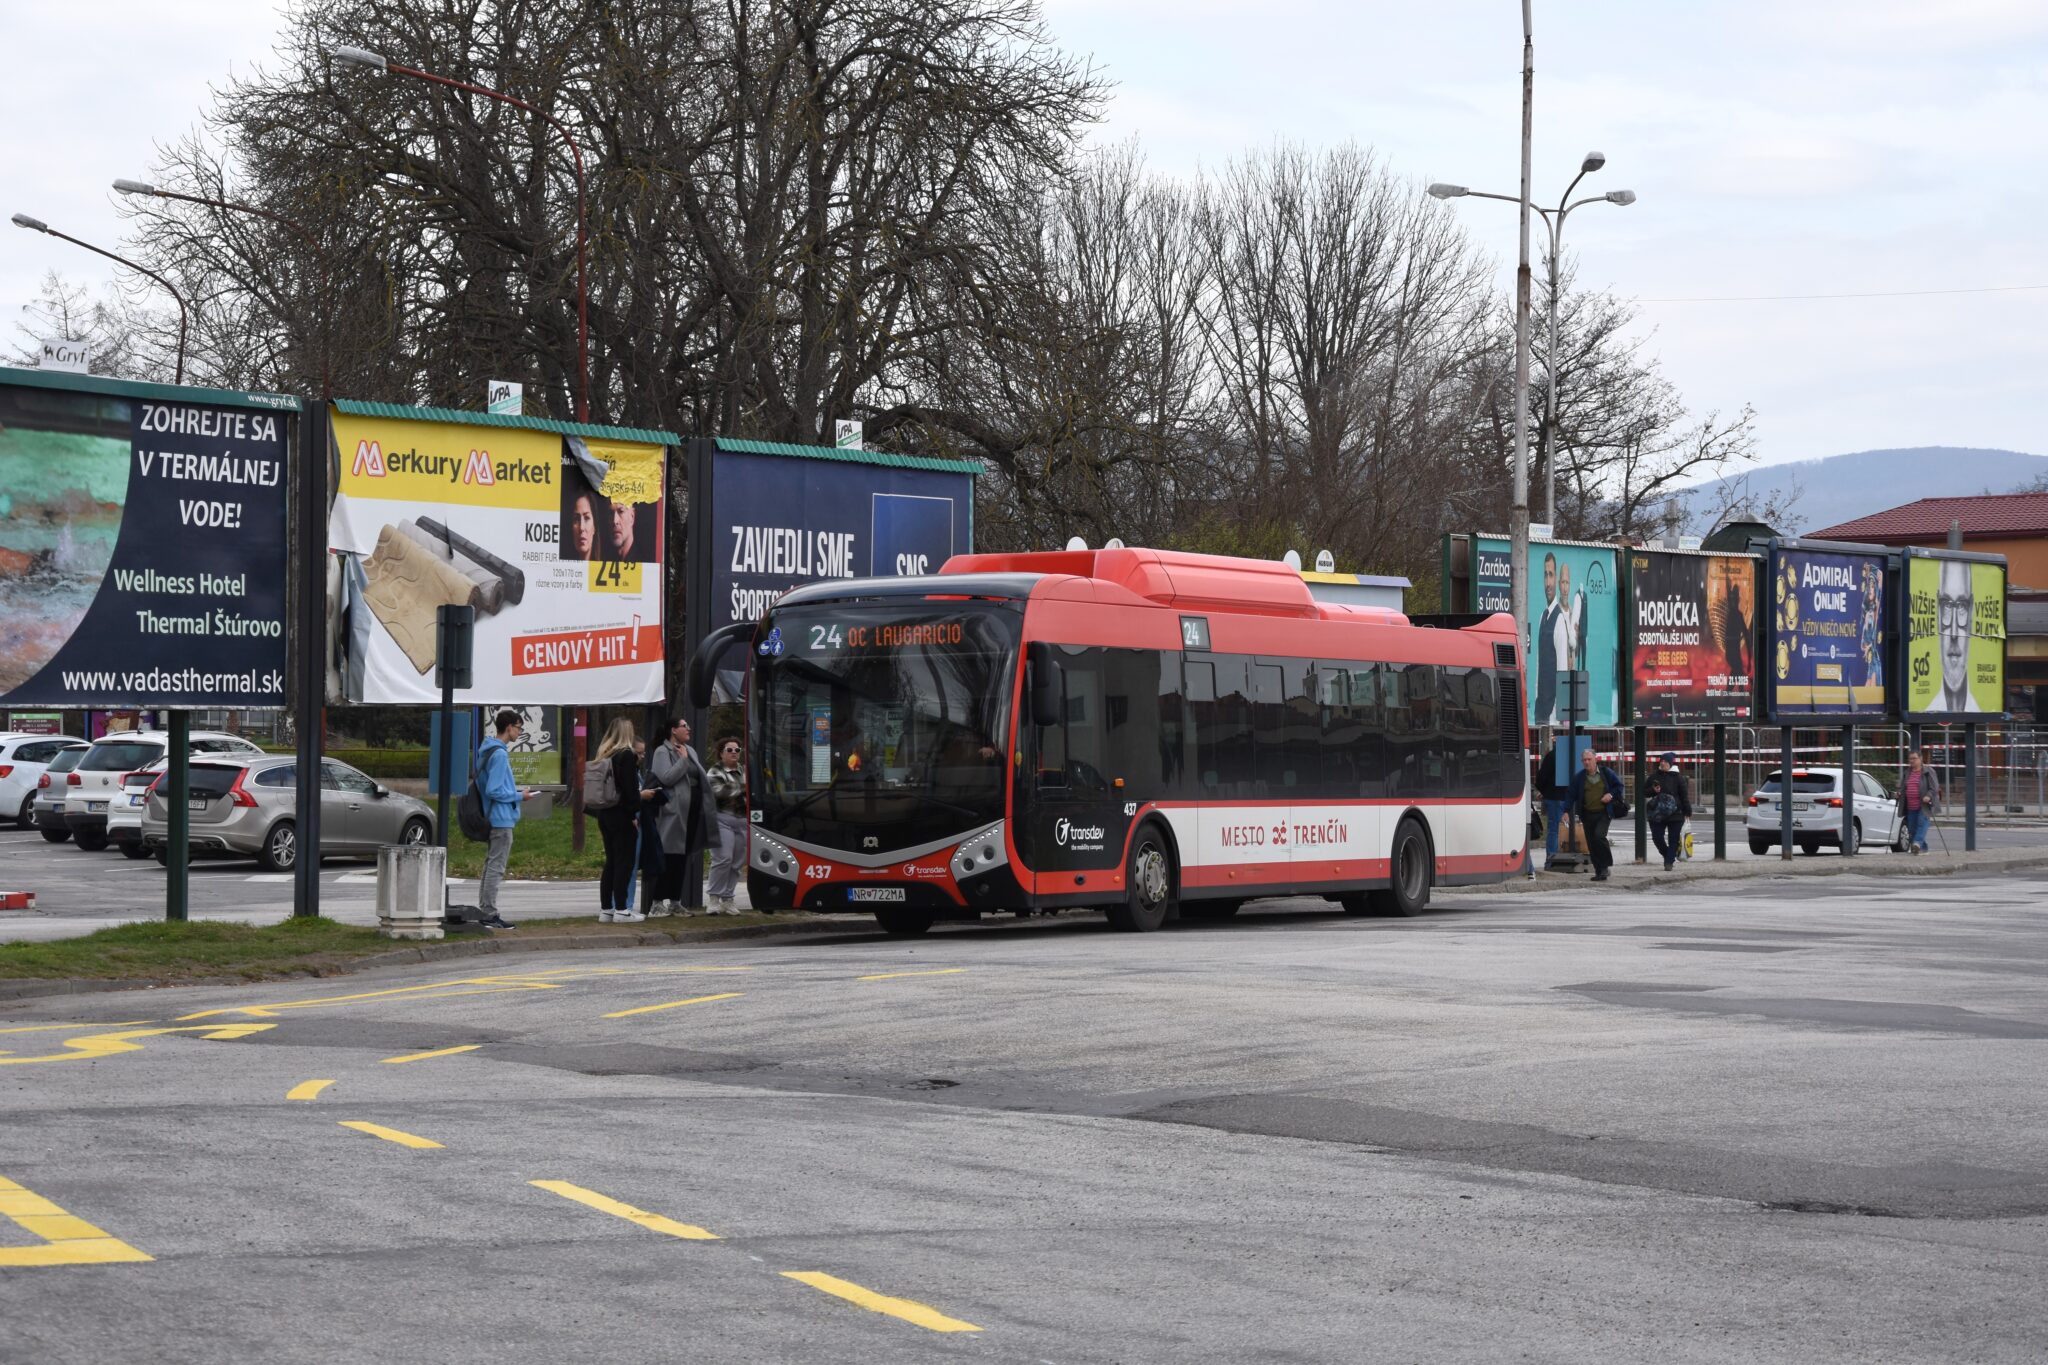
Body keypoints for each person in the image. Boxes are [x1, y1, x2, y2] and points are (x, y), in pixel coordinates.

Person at [476, 709, 537, 930]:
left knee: (490, 865)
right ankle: (489, 913)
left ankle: (485, 909)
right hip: (501, 819)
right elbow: (494, 790)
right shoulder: (500, 754)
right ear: (509, 727)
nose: (519, 732)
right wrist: (520, 795)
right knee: (496, 867)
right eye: (518, 728)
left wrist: (515, 791)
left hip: (492, 815)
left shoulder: (488, 750)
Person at [649, 715, 718, 914]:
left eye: (688, 725)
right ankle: (657, 902)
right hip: (673, 812)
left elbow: (699, 777)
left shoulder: (690, 750)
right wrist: (683, 761)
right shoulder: (663, 752)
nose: (688, 729)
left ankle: (675, 901)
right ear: (673, 730)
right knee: (668, 856)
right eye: (684, 726)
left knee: (683, 856)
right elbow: (666, 778)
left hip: (692, 811)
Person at [593, 718, 649, 923]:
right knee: (624, 862)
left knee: (611, 862)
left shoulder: (604, 754)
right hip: (621, 815)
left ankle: (606, 909)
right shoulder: (626, 755)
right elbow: (630, 790)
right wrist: (633, 813)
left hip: (604, 813)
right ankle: (622, 909)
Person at [1568, 746, 1627, 882]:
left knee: (1599, 836)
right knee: (1591, 843)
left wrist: (1610, 795)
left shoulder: (1606, 773)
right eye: (1584, 760)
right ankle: (1599, 870)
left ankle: (1605, 866)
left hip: (1604, 812)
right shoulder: (1580, 777)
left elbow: (1619, 787)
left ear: (1595, 759)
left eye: (1589, 759)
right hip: (1587, 814)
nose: (1586, 762)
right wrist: (1566, 811)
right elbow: (1570, 795)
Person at [706, 737, 749, 915]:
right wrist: (745, 786)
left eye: (737, 750)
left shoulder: (743, 770)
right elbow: (721, 792)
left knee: (737, 862)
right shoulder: (714, 772)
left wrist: (741, 787)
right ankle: (714, 898)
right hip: (722, 819)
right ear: (721, 753)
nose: (733, 753)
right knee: (723, 858)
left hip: (742, 821)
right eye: (729, 750)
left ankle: (728, 898)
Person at [1646, 751, 1692, 871]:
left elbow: (1684, 796)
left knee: (1674, 839)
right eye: (1661, 761)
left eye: (1666, 761)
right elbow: (1644, 791)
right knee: (1657, 838)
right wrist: (1653, 790)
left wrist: (1688, 811)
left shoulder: (1678, 778)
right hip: (1658, 814)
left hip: (1675, 814)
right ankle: (1668, 855)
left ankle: (1669, 862)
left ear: (1671, 763)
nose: (1663, 763)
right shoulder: (1654, 776)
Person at [1939, 559, 1974, 713]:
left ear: (1971, 610)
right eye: (1946, 605)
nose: (1953, 632)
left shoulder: (1987, 711)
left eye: (1962, 607)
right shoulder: (1923, 708)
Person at [1539, 735, 1572, 869]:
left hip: (1553, 796)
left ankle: (1551, 860)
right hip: (1566, 796)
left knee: (1553, 829)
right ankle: (1558, 858)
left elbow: (1542, 777)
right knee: (1562, 827)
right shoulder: (1571, 756)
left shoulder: (1552, 756)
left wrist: (1543, 791)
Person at [1900, 750, 1942, 855]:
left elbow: (1934, 787)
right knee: (1912, 829)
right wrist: (1899, 794)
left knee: (1922, 823)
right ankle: (1922, 848)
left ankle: (1917, 843)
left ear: (1921, 759)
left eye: (1914, 758)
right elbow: (1904, 787)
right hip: (1910, 805)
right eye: (1910, 759)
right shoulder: (1907, 772)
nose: (1912, 761)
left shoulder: (1928, 772)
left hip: (1924, 805)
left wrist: (1928, 795)